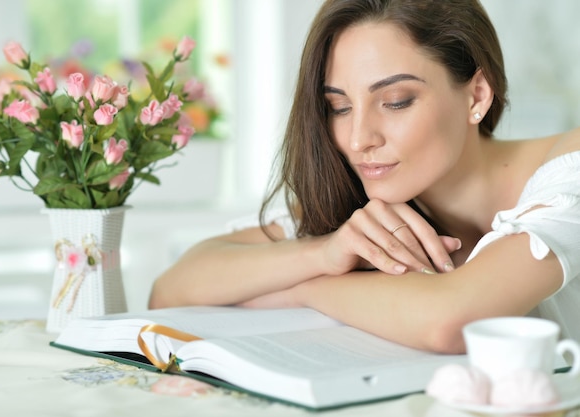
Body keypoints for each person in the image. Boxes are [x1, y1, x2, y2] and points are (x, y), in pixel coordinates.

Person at [149, 0, 580, 354]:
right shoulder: (367, 204)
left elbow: (452, 321)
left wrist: (306, 288)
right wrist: (323, 255)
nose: (358, 140)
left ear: (477, 95)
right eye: (339, 107)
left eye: (394, 101)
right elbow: (171, 290)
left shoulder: (570, 173)